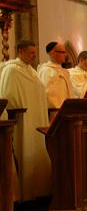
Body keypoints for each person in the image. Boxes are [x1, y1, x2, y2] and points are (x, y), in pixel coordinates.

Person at [0, 40, 51, 201]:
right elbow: (7, 96)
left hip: (37, 117)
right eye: (31, 52)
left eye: (35, 52)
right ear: (20, 52)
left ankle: (38, 191)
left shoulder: (32, 71)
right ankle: (25, 193)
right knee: (25, 149)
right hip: (23, 120)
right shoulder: (11, 70)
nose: (34, 56)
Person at [37, 41, 77, 107]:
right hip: (55, 110)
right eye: (62, 52)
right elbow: (46, 93)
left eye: (65, 52)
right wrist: (56, 107)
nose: (66, 55)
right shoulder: (46, 71)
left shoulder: (65, 71)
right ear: (52, 53)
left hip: (67, 109)